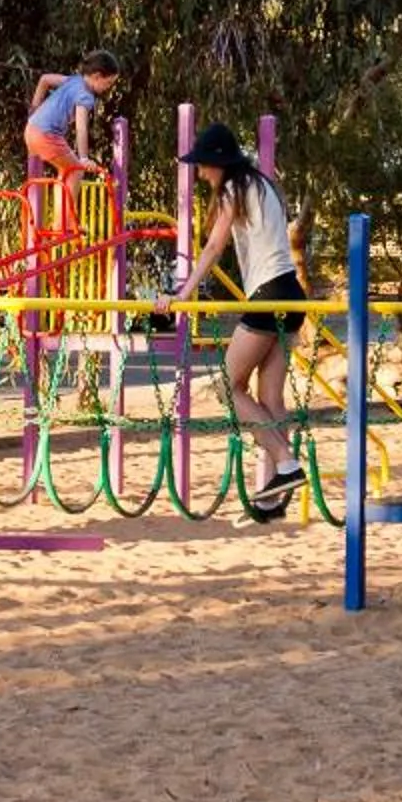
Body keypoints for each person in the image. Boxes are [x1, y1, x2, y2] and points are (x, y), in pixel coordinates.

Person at [169, 121, 308, 522]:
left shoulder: (233, 188)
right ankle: (274, 496)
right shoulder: (266, 186)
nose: (201, 174)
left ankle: (286, 462)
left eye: (203, 166)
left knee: (227, 389)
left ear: (219, 163)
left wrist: (184, 292)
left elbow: (214, 245)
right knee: (270, 399)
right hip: (292, 296)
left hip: (267, 298)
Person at [23, 50, 124, 178]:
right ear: (97, 76)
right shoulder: (85, 96)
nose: (108, 87)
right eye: (108, 82)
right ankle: (68, 199)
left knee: (66, 171)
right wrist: (84, 158)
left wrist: (34, 110)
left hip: (30, 130)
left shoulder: (73, 81)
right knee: (76, 170)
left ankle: (63, 199)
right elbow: (81, 127)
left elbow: (45, 80)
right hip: (47, 135)